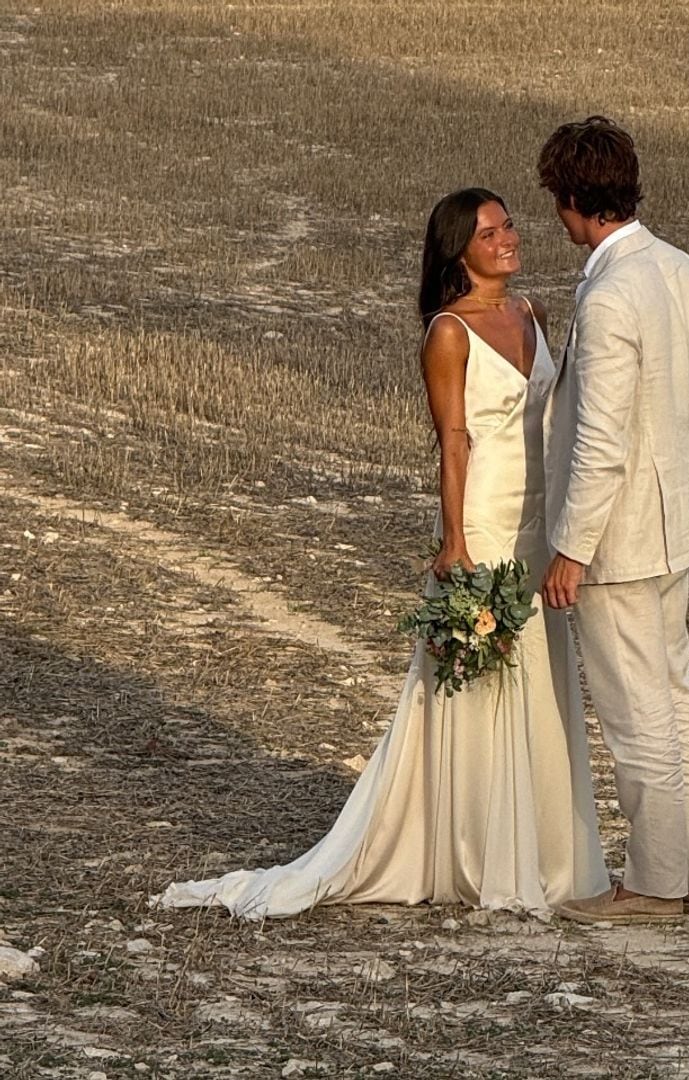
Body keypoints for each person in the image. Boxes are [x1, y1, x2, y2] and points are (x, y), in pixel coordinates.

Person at [152, 188, 609, 919]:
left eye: (510, 225)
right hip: (486, 521)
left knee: (541, 680)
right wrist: (454, 539)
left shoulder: (534, 315)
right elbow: (453, 440)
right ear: (459, 251)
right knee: (482, 678)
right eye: (489, 232)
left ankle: (547, 852)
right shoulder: (448, 334)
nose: (508, 239)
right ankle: (474, 849)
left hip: (538, 522)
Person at [538, 117, 689, 924]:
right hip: (678, 520)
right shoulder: (678, 267)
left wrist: (571, 549)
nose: (556, 217)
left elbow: (602, 438)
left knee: (638, 711)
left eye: (557, 201)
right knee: (679, 695)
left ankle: (654, 885)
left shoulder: (612, 291)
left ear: (577, 198)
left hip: (622, 534)